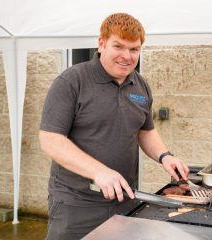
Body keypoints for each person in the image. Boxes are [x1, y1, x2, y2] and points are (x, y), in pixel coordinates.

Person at [39, 13, 189, 240]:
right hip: (76, 205)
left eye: (134, 49)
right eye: (118, 46)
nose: (126, 56)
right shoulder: (72, 82)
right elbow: (51, 141)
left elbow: (145, 130)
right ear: (101, 43)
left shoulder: (140, 85)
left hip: (125, 200)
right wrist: (99, 172)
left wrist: (164, 155)